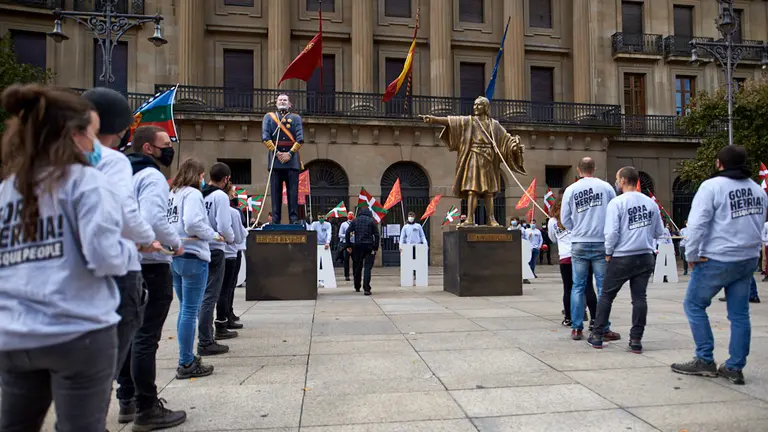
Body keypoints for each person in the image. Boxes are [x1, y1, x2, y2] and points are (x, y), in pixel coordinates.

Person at [0, 84, 136, 432]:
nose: (96, 145)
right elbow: (105, 256)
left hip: (14, 333)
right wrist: (128, 252)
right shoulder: (86, 182)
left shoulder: (9, 189)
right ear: (74, 136)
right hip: (78, 331)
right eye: (92, 134)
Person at [82, 88, 158, 387]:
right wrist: (147, 239)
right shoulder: (112, 160)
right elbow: (126, 214)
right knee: (97, 376)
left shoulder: (42, 160)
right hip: (113, 270)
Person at [671, 145, 766, 385]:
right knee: (740, 314)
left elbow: (698, 224)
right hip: (746, 259)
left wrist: (690, 255)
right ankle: (735, 366)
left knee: (693, 305)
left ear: (719, 164)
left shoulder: (712, 187)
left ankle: (704, 359)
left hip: (717, 257)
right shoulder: (758, 190)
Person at [121, 125, 187, 429]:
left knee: (130, 334)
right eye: (165, 143)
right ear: (148, 148)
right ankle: (147, 407)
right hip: (152, 263)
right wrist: (175, 242)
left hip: (128, 263)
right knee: (146, 336)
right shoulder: (151, 176)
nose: (170, 147)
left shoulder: (123, 173)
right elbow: (154, 219)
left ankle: (127, 400)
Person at [587, 167, 664, 353]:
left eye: (616, 179)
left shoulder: (617, 203)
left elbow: (612, 231)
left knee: (606, 295)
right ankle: (636, 339)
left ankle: (597, 335)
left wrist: (608, 251)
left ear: (622, 180)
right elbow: (659, 232)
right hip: (645, 255)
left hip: (622, 255)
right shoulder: (650, 203)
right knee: (639, 298)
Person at [169, 159, 220, 380]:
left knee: (184, 310)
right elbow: (192, 223)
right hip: (193, 254)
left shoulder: (172, 194)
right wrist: (213, 234)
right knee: (190, 311)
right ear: (197, 175)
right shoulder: (192, 194)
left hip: (175, 254)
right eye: (201, 176)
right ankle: (187, 361)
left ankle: (186, 356)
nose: (202, 180)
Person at [561, 157, 618, 341]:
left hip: (579, 242)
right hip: (601, 241)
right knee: (603, 286)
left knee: (577, 286)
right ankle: (603, 327)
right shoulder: (606, 187)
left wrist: (576, 229)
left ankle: (577, 328)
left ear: (578, 170)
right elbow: (614, 213)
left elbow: (565, 219)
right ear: (594, 168)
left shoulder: (571, 189)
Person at [200, 162, 237, 355]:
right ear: (226, 179)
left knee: (201, 296)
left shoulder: (201, 194)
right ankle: (206, 339)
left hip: (201, 247)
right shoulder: (220, 196)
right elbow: (224, 225)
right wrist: (230, 239)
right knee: (211, 296)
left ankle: (204, 335)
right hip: (215, 248)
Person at [548, 197, 598, 328]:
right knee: (587, 286)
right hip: (581, 254)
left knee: (568, 289)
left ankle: (569, 317)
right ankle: (594, 319)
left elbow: (552, 238)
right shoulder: (576, 217)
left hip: (565, 257)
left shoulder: (552, 222)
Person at [262, 94, 304, 224]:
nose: (282, 101)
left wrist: (290, 154)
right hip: (276, 160)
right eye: (280, 100)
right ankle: (275, 219)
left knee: (293, 192)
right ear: (276, 103)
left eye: (285, 100)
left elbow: (300, 138)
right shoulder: (269, 117)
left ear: (289, 104)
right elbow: (265, 137)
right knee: (275, 193)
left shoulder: (296, 118)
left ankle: (294, 219)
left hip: (292, 161)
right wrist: (277, 153)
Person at [218, 186, 247, 332]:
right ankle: (225, 318)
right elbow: (239, 236)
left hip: (217, 252)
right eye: (232, 193)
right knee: (227, 287)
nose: (235, 196)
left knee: (221, 288)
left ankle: (226, 315)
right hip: (231, 252)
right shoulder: (233, 213)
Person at [346, 208, 380, 295]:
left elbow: (348, 232)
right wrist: (375, 247)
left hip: (357, 246)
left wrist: (349, 245)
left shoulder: (355, 221)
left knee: (357, 266)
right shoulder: (371, 221)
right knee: (367, 267)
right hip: (369, 246)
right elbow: (376, 234)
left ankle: (357, 286)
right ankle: (366, 288)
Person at [338, 213, 354, 281]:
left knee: (356, 260)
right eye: (349, 214)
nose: (350, 215)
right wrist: (347, 235)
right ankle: (346, 275)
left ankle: (355, 274)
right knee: (346, 260)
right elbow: (340, 234)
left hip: (354, 244)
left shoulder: (355, 223)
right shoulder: (343, 224)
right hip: (346, 244)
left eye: (352, 214)